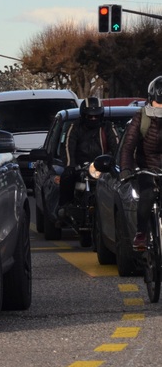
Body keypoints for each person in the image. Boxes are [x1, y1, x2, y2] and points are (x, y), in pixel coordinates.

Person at [120, 76, 162, 250]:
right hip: (148, 170)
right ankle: (141, 234)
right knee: (148, 194)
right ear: (151, 100)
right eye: (159, 103)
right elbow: (128, 147)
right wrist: (126, 169)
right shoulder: (141, 118)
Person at [58, 97, 119, 216]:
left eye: (96, 116)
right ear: (83, 115)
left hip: (103, 166)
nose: (93, 119)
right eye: (90, 116)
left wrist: (116, 164)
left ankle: (119, 209)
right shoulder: (75, 126)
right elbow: (67, 146)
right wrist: (70, 165)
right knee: (66, 177)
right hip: (80, 166)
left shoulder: (108, 127)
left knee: (121, 180)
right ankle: (65, 208)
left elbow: (117, 146)